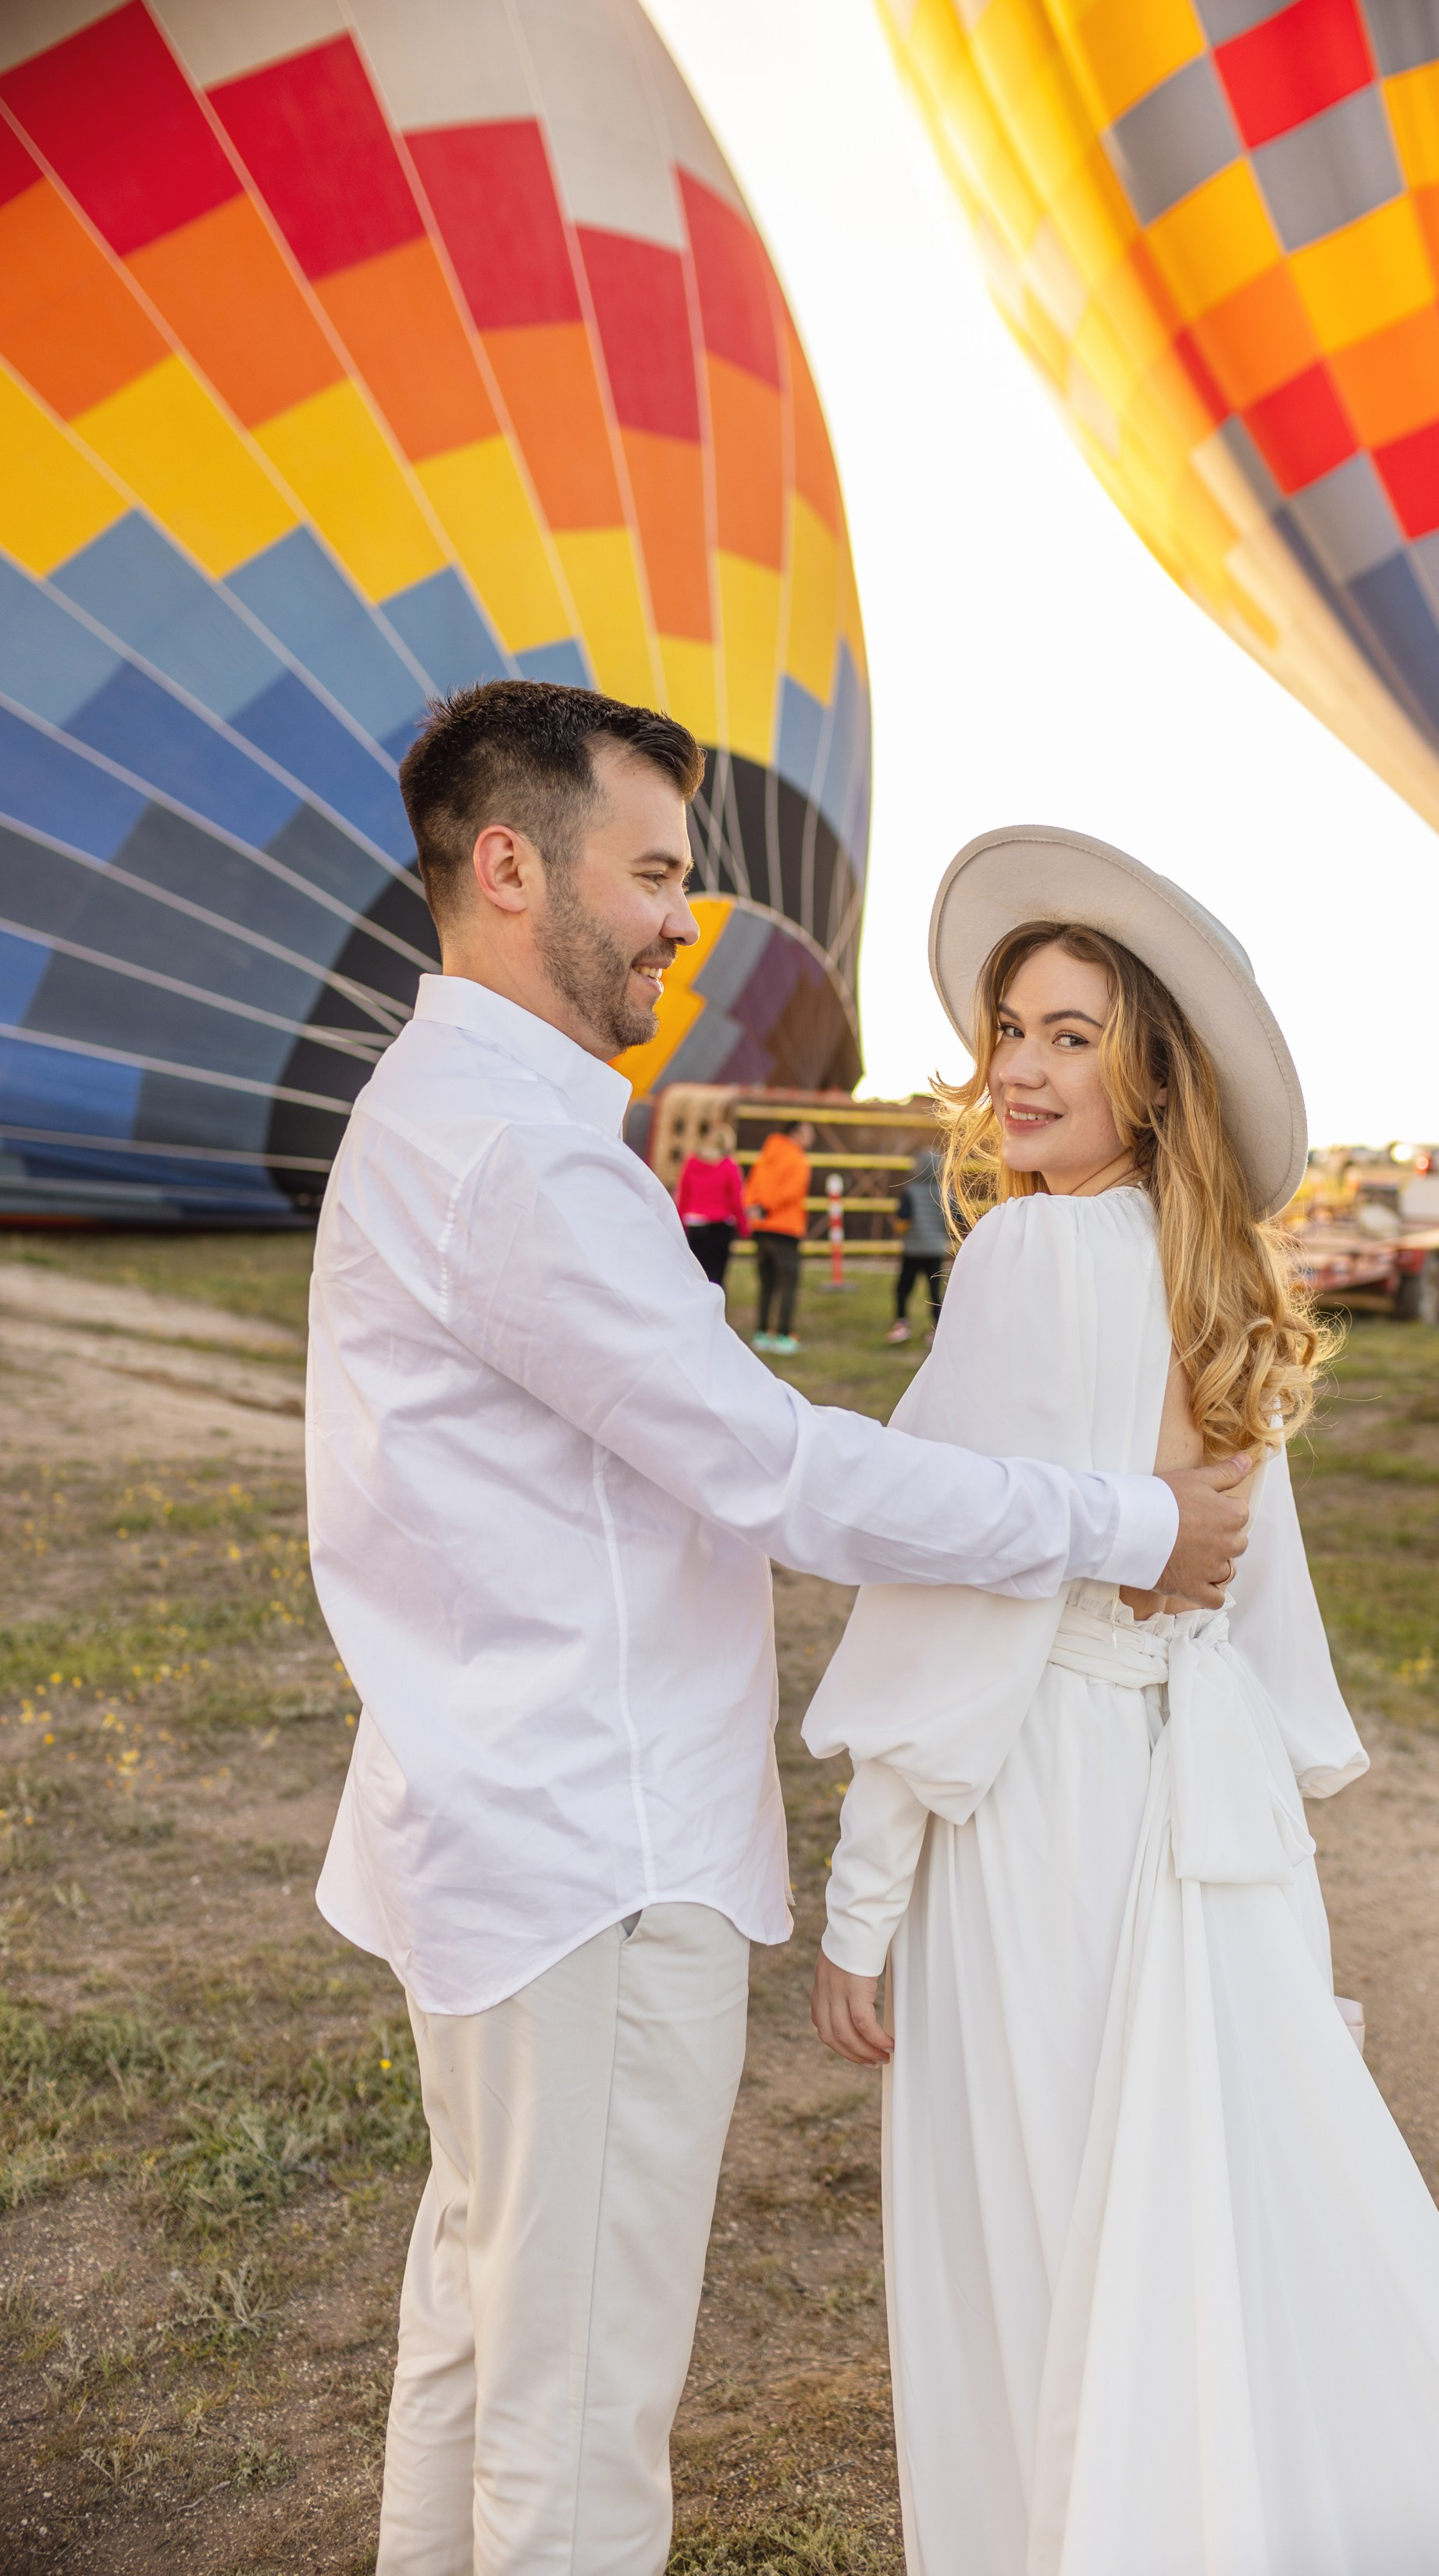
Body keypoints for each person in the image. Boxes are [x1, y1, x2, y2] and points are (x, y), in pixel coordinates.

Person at [306, 700, 1252, 2576]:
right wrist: (1127, 1520)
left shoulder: (446, 1120)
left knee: (482, 2345)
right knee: (570, 2426)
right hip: (595, 1850)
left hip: (491, 1826)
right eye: (652, 871)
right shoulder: (521, 1163)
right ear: (513, 867)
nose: (681, 918)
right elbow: (782, 1477)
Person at [807, 827, 1439, 2576]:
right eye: (1009, 1028)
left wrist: (861, 1904)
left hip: (1040, 1816)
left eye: (1070, 1035)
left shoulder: (1030, 1261)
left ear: (1151, 1082)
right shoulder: (1209, 1288)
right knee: (1203, 2228)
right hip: (1194, 1813)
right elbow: (1250, 1610)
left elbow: (950, 1594)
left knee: (1038, 2235)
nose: (1016, 1066)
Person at [746, 1119, 812, 1352]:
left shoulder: (764, 1157)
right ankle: (784, 1335)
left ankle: (762, 1332)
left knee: (766, 1284)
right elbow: (793, 1192)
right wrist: (769, 1207)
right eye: (807, 1133)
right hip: (785, 1229)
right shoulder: (798, 1159)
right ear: (796, 1133)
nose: (810, 1139)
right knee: (788, 1284)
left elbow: (751, 1189)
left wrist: (758, 1209)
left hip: (761, 1227)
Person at [887, 1146, 950, 1344]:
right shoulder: (945, 1193)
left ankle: (901, 1324)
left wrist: (900, 1230)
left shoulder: (911, 1192)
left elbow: (903, 1220)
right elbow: (953, 1218)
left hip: (913, 1250)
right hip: (935, 1250)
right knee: (934, 1292)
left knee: (904, 1288)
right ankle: (936, 1330)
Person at [675, 1120, 748, 1288]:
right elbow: (736, 1200)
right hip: (720, 1225)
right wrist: (744, 1227)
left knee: (696, 1277)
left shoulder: (691, 1163)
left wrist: (679, 1226)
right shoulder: (729, 1166)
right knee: (717, 1278)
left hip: (695, 1224)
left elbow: (684, 1195)